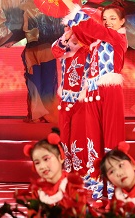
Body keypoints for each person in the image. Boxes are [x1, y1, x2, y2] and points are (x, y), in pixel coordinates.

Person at [59, 0, 127, 200]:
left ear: (122, 22)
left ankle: (114, 190)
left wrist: (71, 6)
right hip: (91, 93)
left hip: (109, 92)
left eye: (113, 19)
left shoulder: (118, 38)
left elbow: (92, 28)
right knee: (93, 142)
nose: (108, 22)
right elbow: (83, 32)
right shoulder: (96, 42)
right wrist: (70, 27)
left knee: (111, 140)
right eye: (105, 19)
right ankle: (99, 188)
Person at [51, 27, 88, 178]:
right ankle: (66, 171)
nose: (71, 31)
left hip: (82, 100)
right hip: (65, 99)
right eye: (68, 27)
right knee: (64, 137)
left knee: (79, 137)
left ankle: (81, 173)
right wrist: (67, 36)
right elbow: (55, 51)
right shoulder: (64, 47)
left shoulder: (89, 48)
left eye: (74, 28)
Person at [23, 129, 89, 213]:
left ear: (60, 157)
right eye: (37, 163)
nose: (42, 166)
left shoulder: (72, 185)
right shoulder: (37, 189)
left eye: (46, 159)